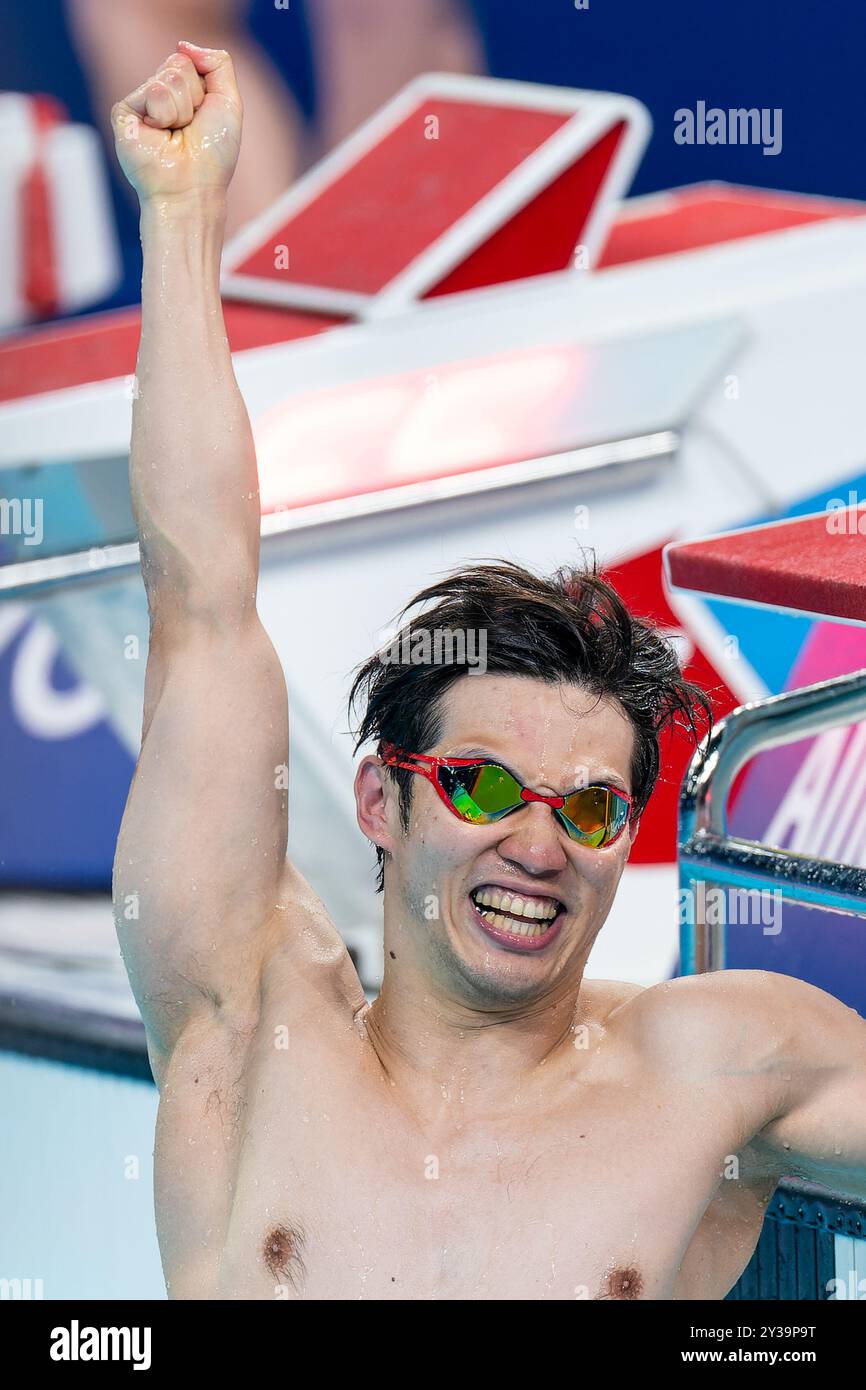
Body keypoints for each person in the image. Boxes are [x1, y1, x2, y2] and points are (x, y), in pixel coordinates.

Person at [111, 42, 866, 1300]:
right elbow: (198, 603)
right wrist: (182, 216)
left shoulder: (713, 1066)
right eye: (478, 787)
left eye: (586, 807)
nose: (536, 842)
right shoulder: (250, 1022)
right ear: (378, 802)